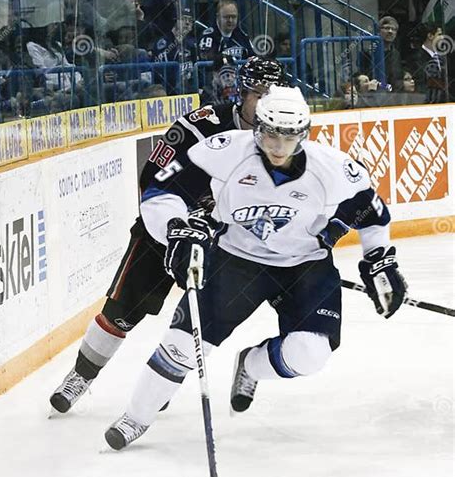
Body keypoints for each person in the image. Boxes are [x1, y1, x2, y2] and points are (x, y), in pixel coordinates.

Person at [103, 84, 407, 450]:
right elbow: (159, 193)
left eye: (289, 137)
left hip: (304, 268)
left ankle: (250, 365)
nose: (278, 147)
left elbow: (373, 216)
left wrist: (379, 260)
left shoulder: (335, 170)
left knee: (310, 354)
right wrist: (177, 229)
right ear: (257, 128)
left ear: (304, 134)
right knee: (183, 344)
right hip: (235, 261)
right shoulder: (224, 152)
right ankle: (135, 417)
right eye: (270, 135)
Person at [49, 57, 288, 413]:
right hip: (164, 233)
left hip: (216, 246)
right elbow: (152, 179)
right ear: (241, 93)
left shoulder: (280, 141)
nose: (264, 103)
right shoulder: (199, 126)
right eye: (257, 94)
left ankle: (158, 385)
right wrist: (179, 221)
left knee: (193, 323)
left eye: (271, 95)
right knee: (120, 311)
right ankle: (81, 375)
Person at [151, 7, 197, 95]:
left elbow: (197, 69)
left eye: (190, 20)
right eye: (183, 19)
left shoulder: (192, 43)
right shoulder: (163, 43)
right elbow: (162, 73)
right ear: (175, 21)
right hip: (169, 92)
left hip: (190, 90)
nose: (187, 23)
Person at [360, 16, 402, 92]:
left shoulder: (396, 54)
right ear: (379, 31)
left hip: (394, 95)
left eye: (393, 29)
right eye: (386, 28)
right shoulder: (368, 52)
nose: (390, 31)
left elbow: (397, 77)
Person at [409, 23, 447, 104]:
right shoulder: (416, 58)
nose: (443, 37)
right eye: (439, 34)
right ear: (430, 36)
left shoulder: (443, 57)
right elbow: (422, 83)